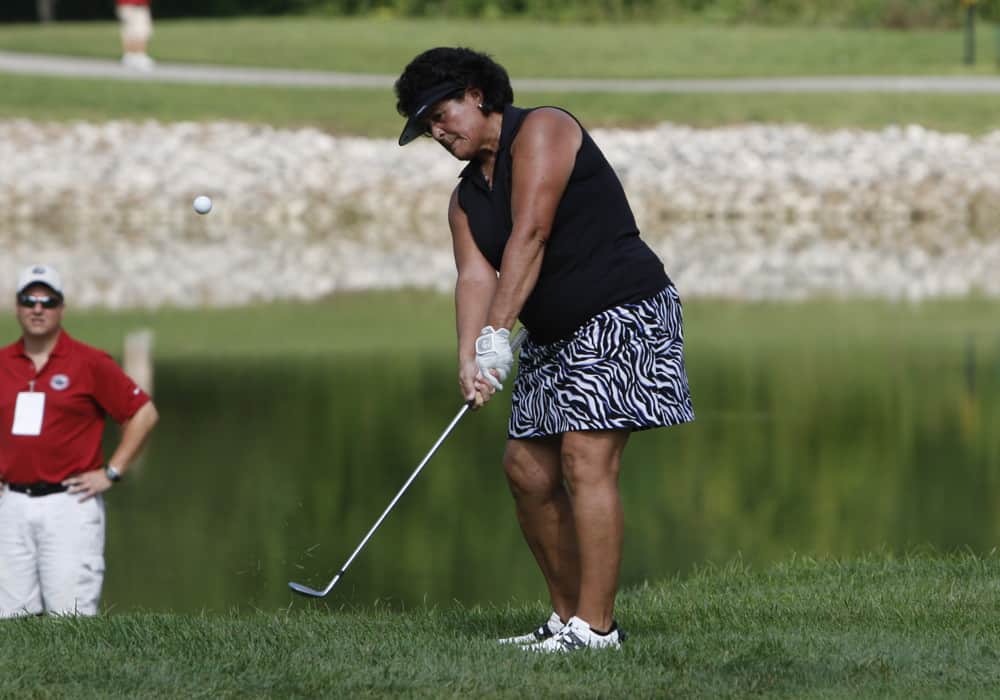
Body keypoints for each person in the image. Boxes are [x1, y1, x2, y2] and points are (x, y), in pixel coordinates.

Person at [394, 48, 695, 652]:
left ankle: (598, 629)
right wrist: (469, 356)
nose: (438, 130)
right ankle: (566, 621)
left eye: (442, 112)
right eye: (426, 124)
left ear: (478, 93)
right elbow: (474, 279)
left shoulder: (545, 130)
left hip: (624, 311)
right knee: (526, 470)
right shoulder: (464, 200)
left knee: (586, 460)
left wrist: (497, 336)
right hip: (553, 333)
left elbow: (531, 234)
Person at [0, 264, 159, 617]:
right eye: (29, 300)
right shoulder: (2, 363)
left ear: (61, 308)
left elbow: (143, 414)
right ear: (17, 307)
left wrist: (112, 471)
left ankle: (72, 675)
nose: (38, 308)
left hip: (69, 503)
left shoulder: (88, 362)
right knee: (9, 621)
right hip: (10, 504)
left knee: (70, 619)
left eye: (48, 300)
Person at [116, 0, 155, 71]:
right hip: (135, 5)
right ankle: (139, 56)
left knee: (130, 32)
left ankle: (130, 56)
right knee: (139, 31)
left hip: (127, 5)